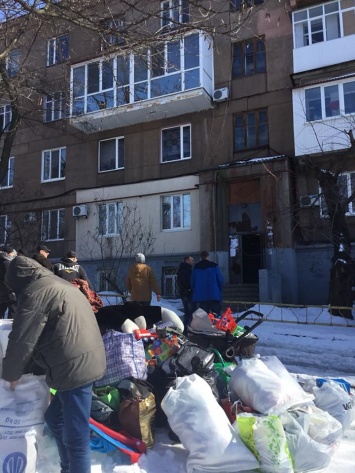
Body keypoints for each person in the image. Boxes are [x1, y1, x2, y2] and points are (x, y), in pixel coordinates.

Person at [1, 255, 106, 473]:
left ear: (18, 281)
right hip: (85, 358)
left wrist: (10, 375)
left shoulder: (36, 292)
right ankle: (67, 468)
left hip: (76, 368)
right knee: (54, 417)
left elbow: (22, 339)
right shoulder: (58, 283)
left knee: (76, 438)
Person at [191, 250, 224, 316]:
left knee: (204, 317)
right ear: (208, 257)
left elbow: (192, 282)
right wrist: (219, 291)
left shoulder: (196, 268)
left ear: (200, 258)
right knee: (216, 316)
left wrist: (196, 291)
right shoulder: (214, 266)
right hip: (214, 295)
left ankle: (206, 326)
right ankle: (215, 326)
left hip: (201, 297)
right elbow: (220, 280)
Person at [177, 255, 195, 329]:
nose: (193, 262)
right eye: (191, 260)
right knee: (190, 312)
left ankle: (185, 328)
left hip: (183, 293)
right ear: (187, 261)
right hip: (188, 293)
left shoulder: (181, 269)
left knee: (187, 312)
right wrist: (190, 289)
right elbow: (188, 282)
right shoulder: (188, 270)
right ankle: (188, 328)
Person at [0, 246, 17, 318]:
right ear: (8, 254)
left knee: (1, 309)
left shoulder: (2, 261)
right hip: (7, 290)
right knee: (13, 308)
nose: (13, 254)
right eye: (12, 253)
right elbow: (9, 278)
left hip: (2, 290)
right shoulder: (7, 263)